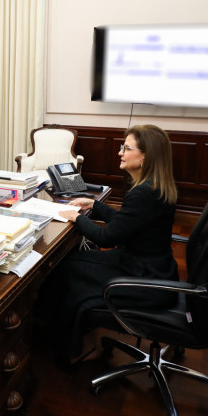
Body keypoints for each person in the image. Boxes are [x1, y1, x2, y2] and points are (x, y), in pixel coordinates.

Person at [39, 124, 179, 362]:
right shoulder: (155, 185)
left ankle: (75, 345)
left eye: (127, 148)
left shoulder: (144, 192)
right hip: (154, 268)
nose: (120, 152)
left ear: (145, 156)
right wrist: (94, 205)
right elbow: (127, 223)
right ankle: (69, 332)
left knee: (64, 267)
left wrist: (76, 218)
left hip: (141, 276)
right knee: (70, 262)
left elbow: (106, 238)